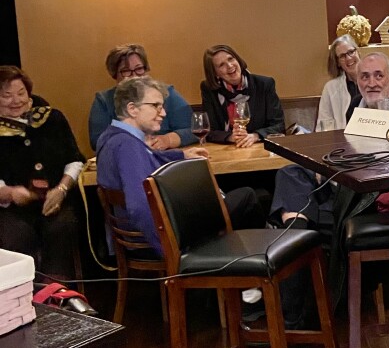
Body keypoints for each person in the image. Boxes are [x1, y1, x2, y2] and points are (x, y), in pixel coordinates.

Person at [270, 51, 389, 320]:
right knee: (289, 173)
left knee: (297, 227)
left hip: (371, 200)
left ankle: (294, 314)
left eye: (378, 75)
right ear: (357, 81)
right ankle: (297, 227)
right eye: (364, 76)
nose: (371, 82)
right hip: (347, 187)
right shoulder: (357, 108)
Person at [96, 77, 265, 253]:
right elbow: (139, 206)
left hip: (140, 236)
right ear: (132, 109)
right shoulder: (127, 145)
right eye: (156, 106)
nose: (163, 113)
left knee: (252, 197)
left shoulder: (112, 137)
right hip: (160, 239)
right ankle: (251, 268)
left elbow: (151, 157)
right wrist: (171, 251)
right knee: (248, 196)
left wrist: (182, 154)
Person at [0, 66, 84, 281]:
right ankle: (24, 297)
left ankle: (56, 296)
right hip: (10, 211)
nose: (15, 100)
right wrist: (9, 193)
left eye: (21, 93)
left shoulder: (52, 118)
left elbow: (74, 159)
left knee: (62, 227)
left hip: (55, 201)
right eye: (6, 95)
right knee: (18, 235)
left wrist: (62, 189)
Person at [88, 43, 196, 151]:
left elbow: (195, 129)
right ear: (114, 74)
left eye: (139, 69)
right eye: (126, 71)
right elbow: (97, 141)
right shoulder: (104, 100)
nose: (134, 76)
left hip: (166, 157)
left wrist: (168, 140)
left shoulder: (166, 94)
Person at [200, 45, 285, 146]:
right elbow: (208, 130)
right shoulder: (209, 89)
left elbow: (279, 125)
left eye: (231, 59)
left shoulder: (264, 84)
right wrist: (231, 137)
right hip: (227, 149)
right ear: (215, 73)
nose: (230, 65)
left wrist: (255, 136)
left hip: (260, 147)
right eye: (221, 65)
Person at [316, 35, 360, 131]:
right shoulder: (330, 88)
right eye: (342, 56)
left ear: (358, 52)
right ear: (338, 63)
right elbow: (324, 125)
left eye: (351, 52)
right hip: (341, 142)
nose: (348, 58)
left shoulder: (374, 83)